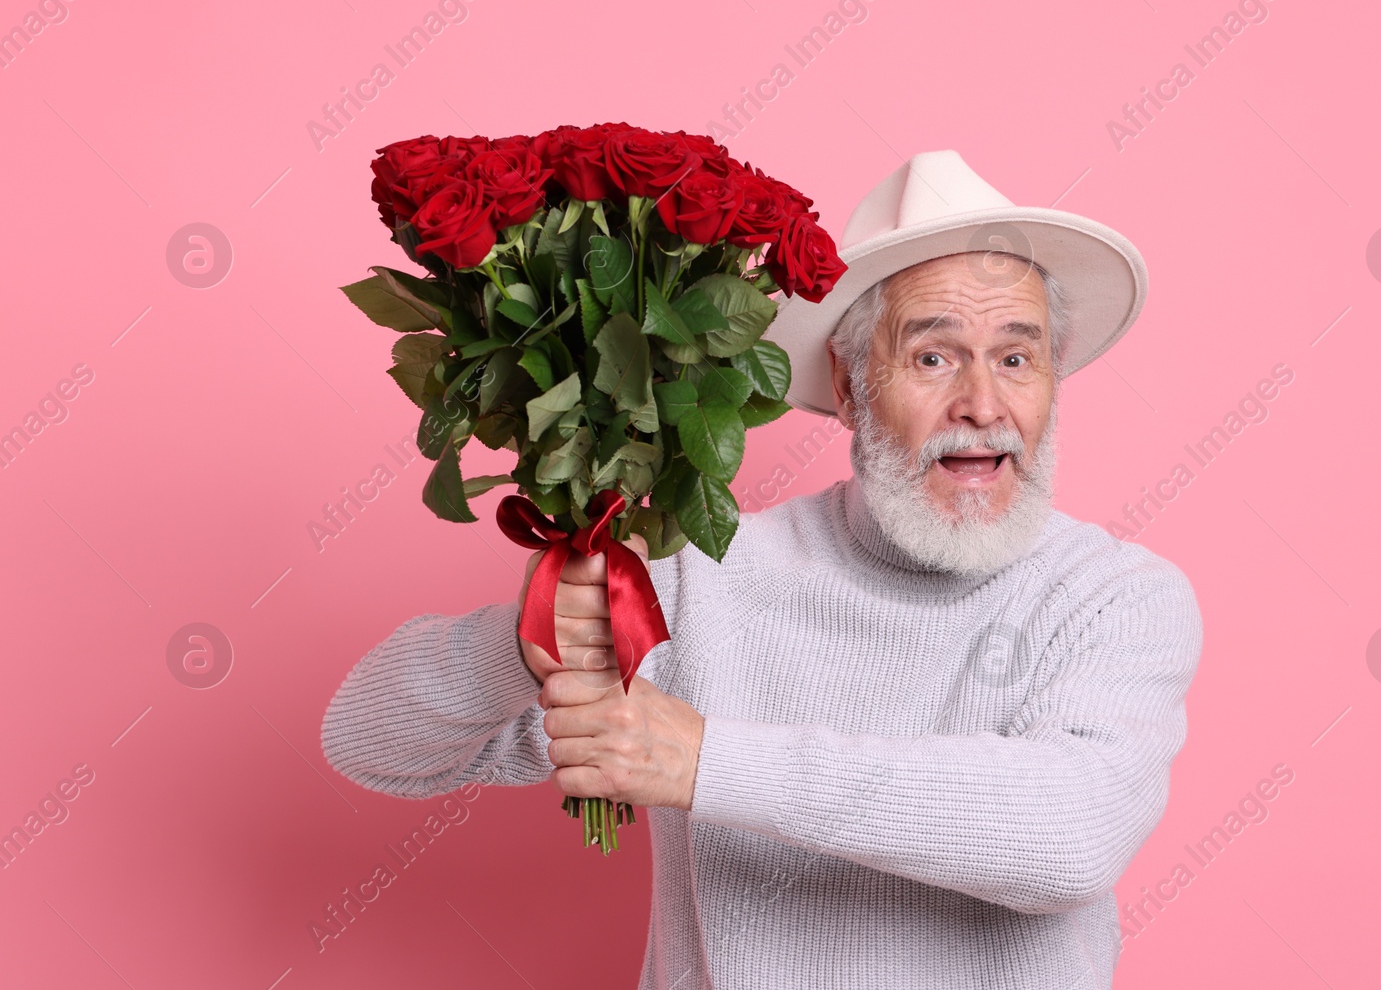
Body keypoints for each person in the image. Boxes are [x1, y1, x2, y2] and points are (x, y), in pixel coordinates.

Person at [321, 149, 1203, 989]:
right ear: (851, 386)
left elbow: (1070, 834)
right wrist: (521, 649)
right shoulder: (697, 573)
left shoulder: (1117, 598)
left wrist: (706, 761)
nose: (981, 403)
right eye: (933, 356)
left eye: (1016, 357)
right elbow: (366, 743)